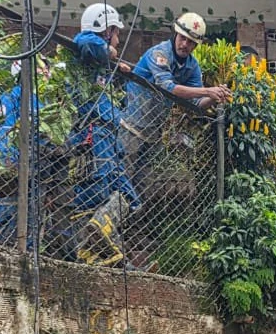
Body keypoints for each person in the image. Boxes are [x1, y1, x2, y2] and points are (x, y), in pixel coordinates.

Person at [68, 3, 140, 263]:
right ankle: (99, 255)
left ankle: (99, 240)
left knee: (129, 198)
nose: (118, 39)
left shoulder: (100, 64)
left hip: (109, 134)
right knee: (94, 194)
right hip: (92, 132)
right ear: (105, 29)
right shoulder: (88, 45)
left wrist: (116, 68)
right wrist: (108, 51)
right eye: (116, 32)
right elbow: (85, 42)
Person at [122, 11, 231, 174]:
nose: (185, 44)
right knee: (123, 175)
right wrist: (207, 90)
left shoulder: (192, 66)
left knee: (143, 182)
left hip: (154, 131)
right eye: (182, 38)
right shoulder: (159, 53)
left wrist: (214, 96)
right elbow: (167, 87)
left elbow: (197, 105)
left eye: (191, 42)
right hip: (131, 124)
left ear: (196, 46)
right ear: (176, 35)